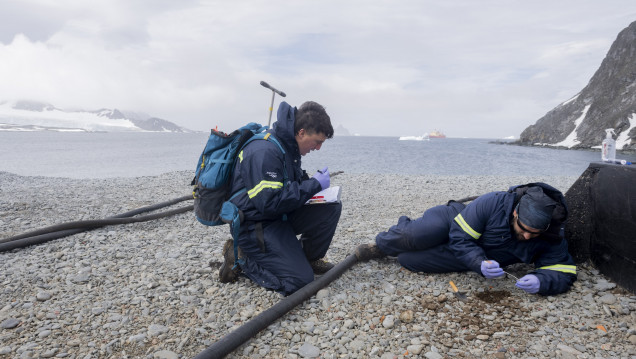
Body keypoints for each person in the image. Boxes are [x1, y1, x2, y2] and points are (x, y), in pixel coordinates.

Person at [356, 183, 577, 296]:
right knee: (418, 235)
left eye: (534, 233)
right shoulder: (492, 202)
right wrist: (477, 261)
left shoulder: (551, 232)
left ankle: (402, 250)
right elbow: (460, 238)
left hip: (473, 257)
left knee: (408, 260)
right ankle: (384, 243)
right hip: (453, 223)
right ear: (515, 214)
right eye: (524, 229)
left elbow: (563, 270)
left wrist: (542, 282)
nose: (528, 236)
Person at [217, 100, 342, 296]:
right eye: (317, 142)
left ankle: (308, 258)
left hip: (279, 216)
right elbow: (269, 203)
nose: (318, 148)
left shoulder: (289, 147)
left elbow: (290, 184)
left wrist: (313, 185)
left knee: (331, 207)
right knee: (301, 281)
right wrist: (315, 184)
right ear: (301, 132)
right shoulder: (264, 151)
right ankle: (240, 257)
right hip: (256, 224)